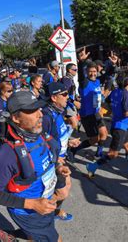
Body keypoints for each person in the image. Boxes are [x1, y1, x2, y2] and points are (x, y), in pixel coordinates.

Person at [0, 91, 69, 242]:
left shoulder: (40, 134)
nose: (40, 114)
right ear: (16, 118)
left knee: (37, 236)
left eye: (38, 108)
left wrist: (57, 168)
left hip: (45, 203)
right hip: (29, 213)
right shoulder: (8, 153)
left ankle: (10, 235)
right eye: (31, 111)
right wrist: (33, 204)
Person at [86, 73, 128, 178]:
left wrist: (111, 112)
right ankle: (93, 166)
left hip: (117, 125)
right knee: (113, 154)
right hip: (120, 128)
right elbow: (126, 113)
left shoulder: (115, 91)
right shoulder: (126, 94)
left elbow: (107, 103)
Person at [42, 82, 80, 221]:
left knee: (66, 187)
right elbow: (39, 142)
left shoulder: (58, 111)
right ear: (54, 97)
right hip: (53, 161)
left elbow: (55, 136)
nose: (67, 97)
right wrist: (55, 158)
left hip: (61, 158)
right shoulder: (46, 116)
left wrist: (69, 141)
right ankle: (39, 212)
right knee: (62, 192)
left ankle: (52, 211)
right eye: (64, 94)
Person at [69, 61, 108, 159]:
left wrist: (113, 64)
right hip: (87, 116)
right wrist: (81, 62)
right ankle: (74, 149)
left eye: (94, 71)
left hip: (96, 113)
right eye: (90, 71)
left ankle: (98, 153)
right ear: (86, 72)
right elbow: (81, 77)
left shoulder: (97, 81)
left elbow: (109, 75)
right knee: (94, 139)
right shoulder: (84, 83)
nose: (93, 74)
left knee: (104, 133)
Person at [60, 63, 80, 130]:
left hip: (70, 103)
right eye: (75, 70)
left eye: (76, 69)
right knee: (74, 124)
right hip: (68, 104)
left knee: (70, 123)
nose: (76, 71)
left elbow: (71, 92)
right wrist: (74, 102)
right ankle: (63, 136)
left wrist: (76, 97)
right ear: (69, 70)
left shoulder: (70, 79)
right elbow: (65, 94)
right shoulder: (67, 80)